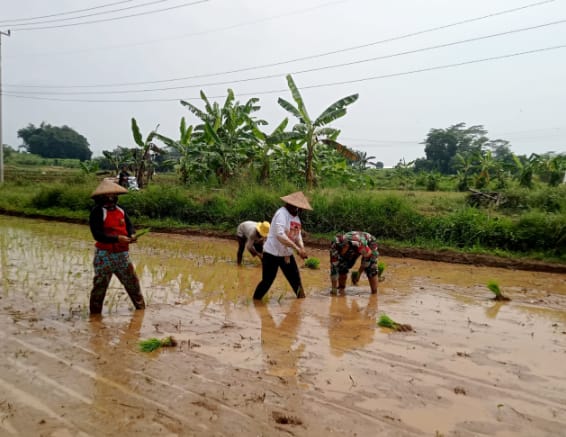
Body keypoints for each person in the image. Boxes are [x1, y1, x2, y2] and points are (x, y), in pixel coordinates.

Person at [89, 179, 145, 315]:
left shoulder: (121, 210)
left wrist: (132, 234)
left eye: (113, 195)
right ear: (101, 197)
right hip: (104, 256)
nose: (111, 197)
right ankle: (95, 317)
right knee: (100, 287)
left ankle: (141, 311)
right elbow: (97, 235)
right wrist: (117, 239)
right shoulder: (97, 212)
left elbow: (129, 226)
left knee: (133, 284)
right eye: (108, 195)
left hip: (122, 255)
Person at [253, 191, 312, 301]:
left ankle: (301, 302)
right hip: (271, 254)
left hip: (286, 255)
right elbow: (280, 235)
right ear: (291, 205)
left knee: (296, 281)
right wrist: (297, 248)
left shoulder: (296, 218)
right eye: (298, 207)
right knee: (267, 281)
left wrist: (302, 247)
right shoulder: (281, 214)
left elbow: (297, 235)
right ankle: (255, 301)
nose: (300, 210)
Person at [330, 231, 379, 295]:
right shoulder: (334, 246)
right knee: (342, 266)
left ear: (347, 246)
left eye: (343, 250)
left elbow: (367, 259)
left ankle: (374, 293)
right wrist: (333, 289)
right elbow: (334, 268)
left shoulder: (359, 244)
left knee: (371, 268)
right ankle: (341, 289)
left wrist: (359, 273)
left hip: (368, 243)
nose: (341, 253)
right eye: (340, 251)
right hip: (352, 245)